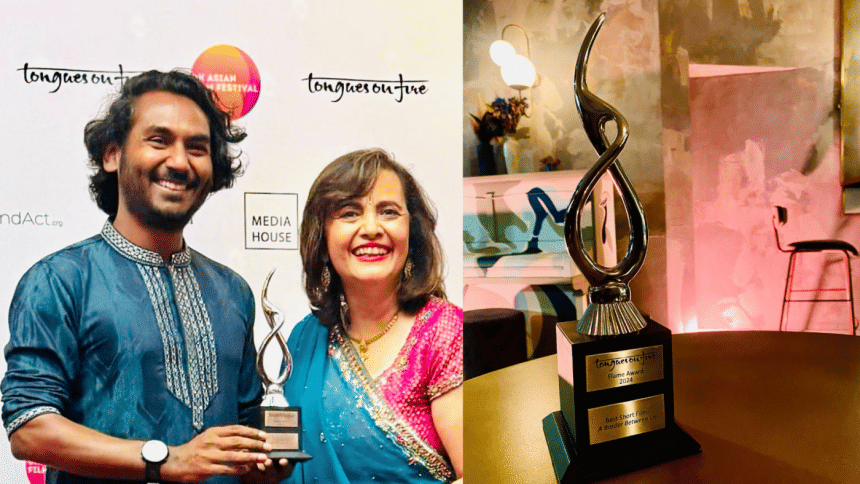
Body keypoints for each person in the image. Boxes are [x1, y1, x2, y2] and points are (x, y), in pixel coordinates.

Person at [1, 70, 287, 483]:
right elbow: (30, 429)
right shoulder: (59, 281)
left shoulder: (232, 292)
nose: (179, 161)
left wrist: (266, 463)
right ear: (112, 155)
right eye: (159, 140)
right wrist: (165, 459)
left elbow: (243, 430)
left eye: (197, 148)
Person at [282, 149, 463, 483]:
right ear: (322, 235)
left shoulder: (445, 333)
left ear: (412, 231)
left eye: (388, 212)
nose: (371, 228)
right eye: (350, 213)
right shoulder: (303, 340)